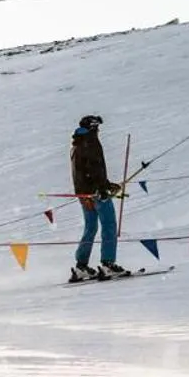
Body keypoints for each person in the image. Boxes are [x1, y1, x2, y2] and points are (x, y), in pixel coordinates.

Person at [69, 114, 127, 281]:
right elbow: (95, 170)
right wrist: (103, 188)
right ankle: (108, 263)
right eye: (97, 127)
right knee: (109, 225)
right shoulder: (90, 142)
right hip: (96, 193)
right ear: (92, 127)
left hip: (84, 194)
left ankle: (81, 265)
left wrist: (104, 186)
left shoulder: (76, 144)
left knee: (91, 227)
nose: (99, 130)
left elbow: (82, 173)